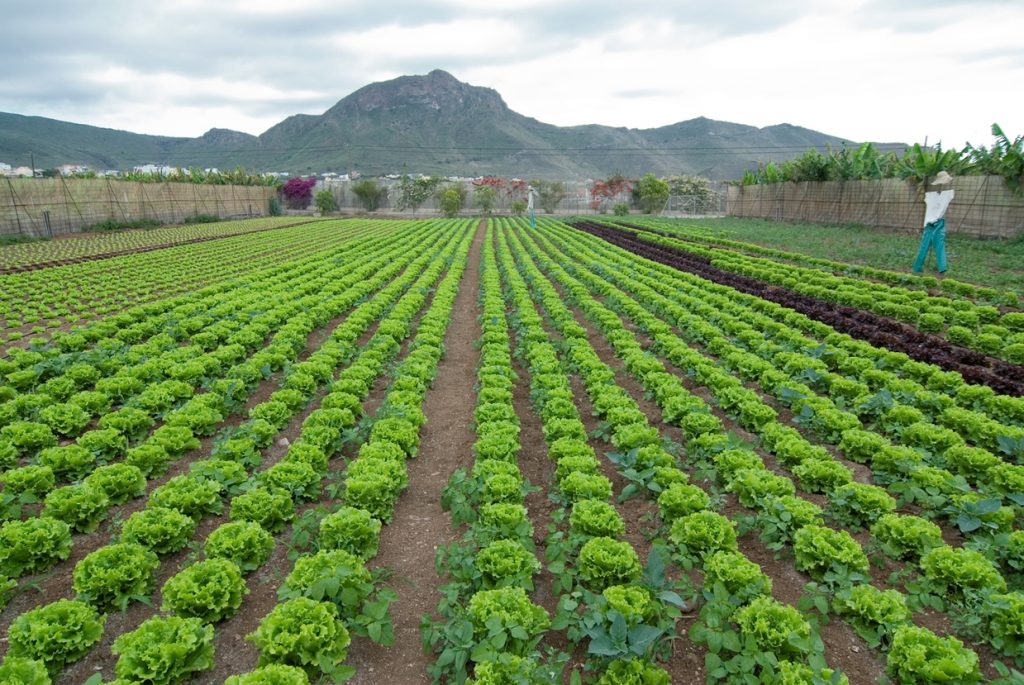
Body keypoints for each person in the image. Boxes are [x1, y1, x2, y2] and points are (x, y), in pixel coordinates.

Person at [912, 170, 954, 274]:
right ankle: (942, 268)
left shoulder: (930, 195)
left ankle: (917, 267)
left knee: (924, 246)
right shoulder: (948, 194)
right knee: (939, 246)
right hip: (938, 222)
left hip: (928, 223)